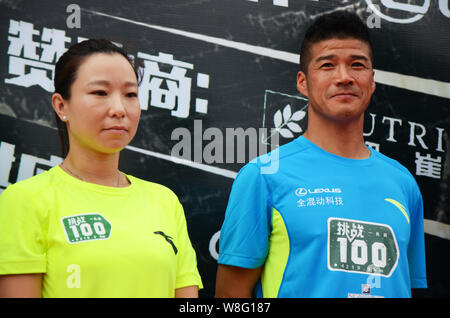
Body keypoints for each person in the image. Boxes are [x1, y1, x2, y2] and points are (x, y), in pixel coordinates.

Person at [215, 11, 427, 298]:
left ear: (372, 81)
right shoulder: (264, 176)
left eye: (357, 65)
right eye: (327, 65)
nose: (344, 77)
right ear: (303, 82)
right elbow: (230, 297)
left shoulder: (403, 184)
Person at [0, 39, 202, 298]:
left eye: (130, 94)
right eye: (100, 93)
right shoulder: (26, 201)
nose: (119, 109)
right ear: (62, 106)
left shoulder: (164, 202)